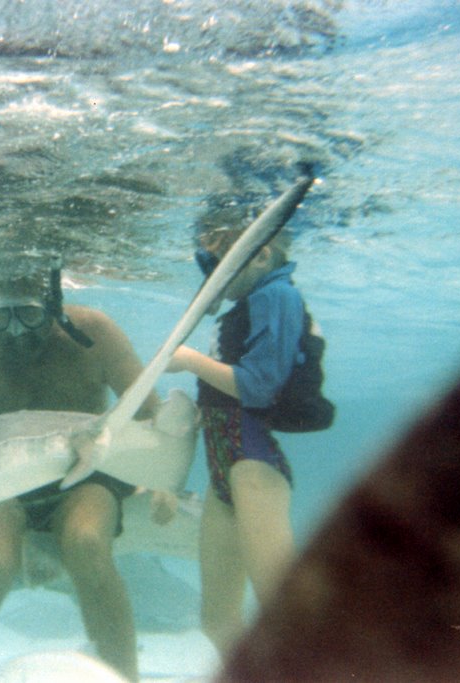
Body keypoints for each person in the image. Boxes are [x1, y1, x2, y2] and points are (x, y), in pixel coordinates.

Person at [0, 264, 161, 683]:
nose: (16, 332)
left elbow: (150, 413)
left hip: (86, 471)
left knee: (86, 543)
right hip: (4, 477)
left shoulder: (96, 332)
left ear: (55, 306)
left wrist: (162, 480)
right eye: (1, 318)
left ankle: (125, 677)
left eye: (31, 315)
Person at [167, 209, 304, 658]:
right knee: (217, 621)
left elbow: (259, 386)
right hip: (225, 472)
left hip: (252, 469)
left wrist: (187, 359)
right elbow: (219, 399)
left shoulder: (277, 296)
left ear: (260, 255)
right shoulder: (245, 306)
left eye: (217, 264)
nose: (211, 276)